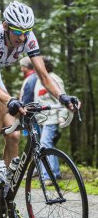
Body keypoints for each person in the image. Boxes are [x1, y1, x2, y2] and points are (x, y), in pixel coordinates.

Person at [0, 0, 80, 188]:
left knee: (13, 136)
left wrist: (63, 96)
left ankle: (6, 198)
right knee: (2, 103)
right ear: (6, 26)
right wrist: (10, 99)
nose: (22, 38)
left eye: (26, 32)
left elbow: (43, 75)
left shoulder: (28, 37)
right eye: (17, 32)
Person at [34, 56, 68, 185]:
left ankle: (49, 176)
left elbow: (62, 98)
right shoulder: (39, 79)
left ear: (45, 66)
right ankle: (55, 173)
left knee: (44, 144)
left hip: (52, 118)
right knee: (48, 145)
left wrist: (62, 116)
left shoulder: (54, 79)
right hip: (42, 119)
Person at [18, 56, 41, 136]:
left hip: (30, 115)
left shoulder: (31, 79)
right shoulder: (34, 77)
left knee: (33, 139)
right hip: (33, 114)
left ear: (25, 67)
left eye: (22, 67)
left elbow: (28, 96)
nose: (21, 69)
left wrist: (25, 110)